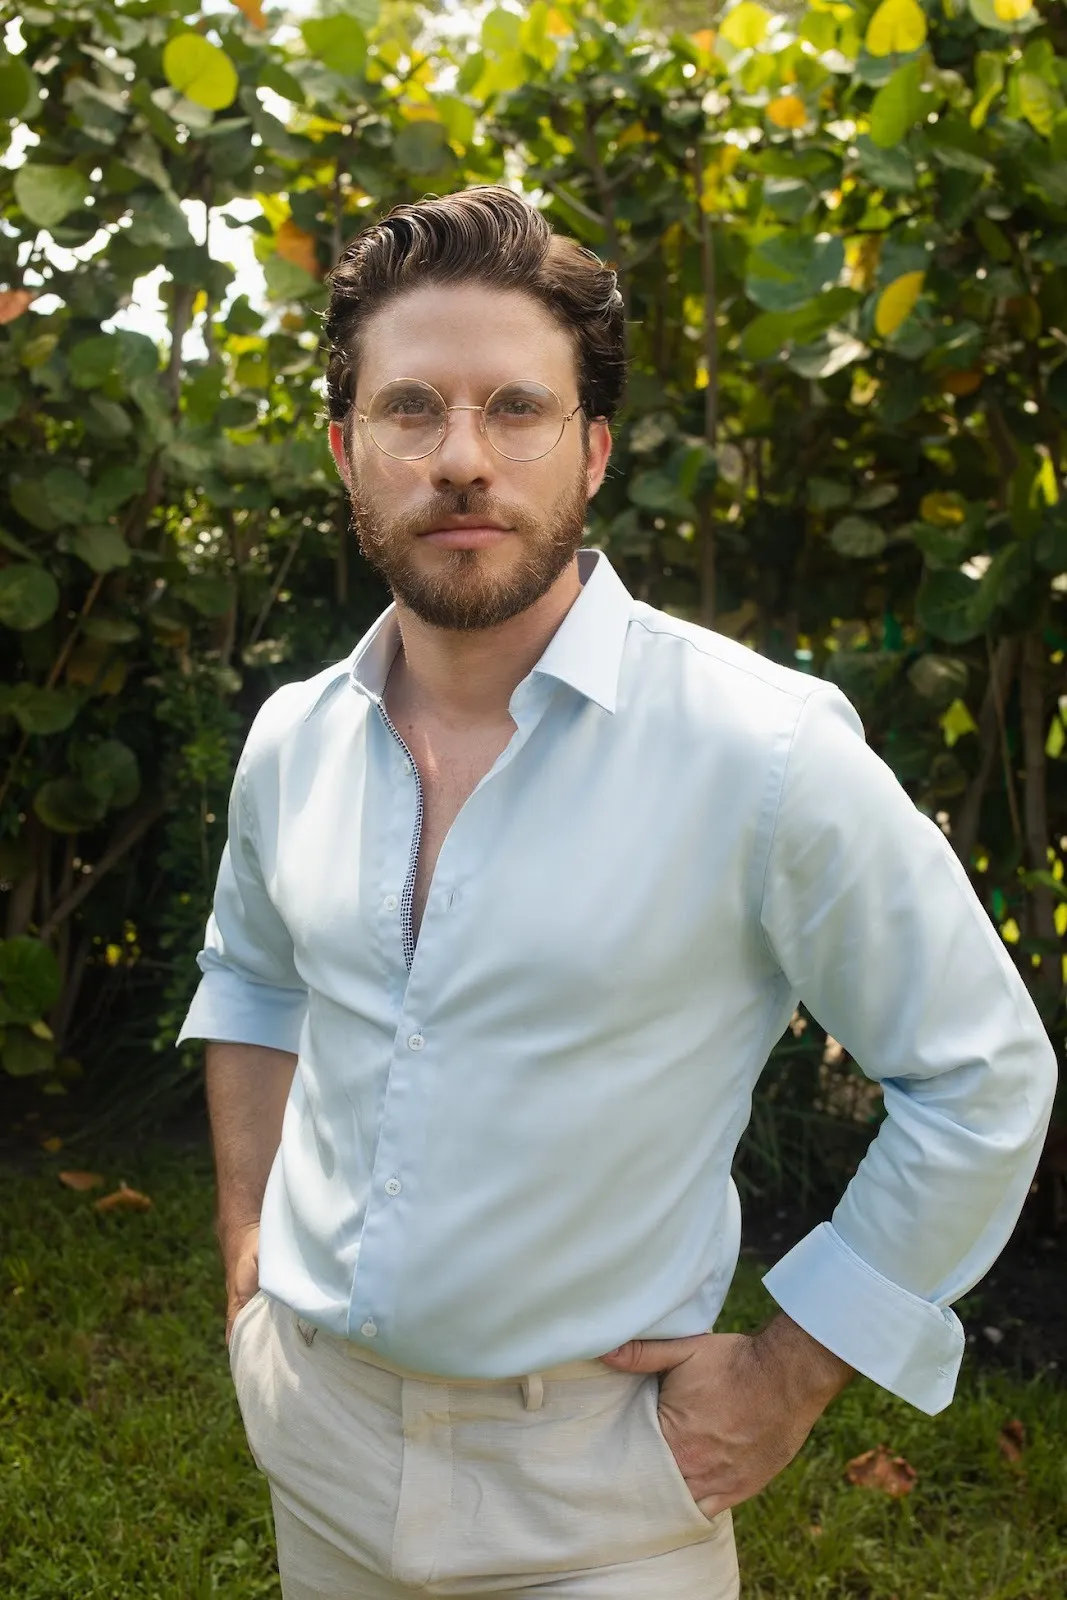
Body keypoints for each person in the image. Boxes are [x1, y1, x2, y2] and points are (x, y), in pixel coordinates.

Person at [178, 185, 1057, 1600]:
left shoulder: (759, 751)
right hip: (316, 1436)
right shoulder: (293, 739)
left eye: (513, 410)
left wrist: (791, 1368)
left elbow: (980, 1074)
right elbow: (256, 981)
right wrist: (245, 1264)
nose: (460, 458)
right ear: (345, 450)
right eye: (411, 410)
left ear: (589, 453)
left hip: (599, 1486)